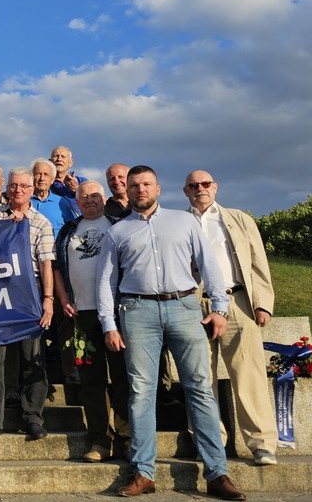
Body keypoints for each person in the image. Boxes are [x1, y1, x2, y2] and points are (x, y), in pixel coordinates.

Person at [97, 166, 246, 500]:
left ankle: (217, 472)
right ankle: (144, 472)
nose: (139, 190)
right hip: (137, 311)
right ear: (128, 190)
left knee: (200, 389)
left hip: (184, 307)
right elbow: (105, 282)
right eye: (133, 185)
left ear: (158, 188)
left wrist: (219, 309)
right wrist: (109, 324)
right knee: (141, 392)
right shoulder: (117, 232)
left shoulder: (184, 221)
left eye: (146, 184)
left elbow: (210, 266)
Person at [184, 170, 278, 467]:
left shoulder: (238, 219)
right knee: (200, 378)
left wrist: (262, 304)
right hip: (195, 302)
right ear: (185, 191)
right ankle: (210, 444)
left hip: (236, 300)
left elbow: (257, 261)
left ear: (215, 187)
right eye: (194, 185)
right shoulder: (180, 222)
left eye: (206, 184)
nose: (200, 189)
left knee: (248, 375)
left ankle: (261, 444)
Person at [0, 167, 55, 441]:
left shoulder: (41, 222)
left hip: (29, 289)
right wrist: (7, 225)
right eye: (13, 185)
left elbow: (46, 265)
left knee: (33, 356)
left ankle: (32, 417)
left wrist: (48, 300)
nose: (18, 190)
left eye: (23, 186)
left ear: (32, 190)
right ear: (7, 189)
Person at [52, 180, 129, 463]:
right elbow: (57, 268)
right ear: (77, 202)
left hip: (118, 315)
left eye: (94, 196)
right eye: (83, 197)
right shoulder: (68, 230)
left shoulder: (119, 225)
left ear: (104, 198)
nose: (89, 200)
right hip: (82, 316)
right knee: (91, 381)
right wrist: (63, 299)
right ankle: (99, 440)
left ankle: (127, 438)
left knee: (122, 378)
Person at [30, 158, 79, 232]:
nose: (42, 178)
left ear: (52, 180)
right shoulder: (24, 200)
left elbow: (71, 230)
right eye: (38, 174)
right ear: (32, 177)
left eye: (46, 174)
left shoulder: (62, 203)